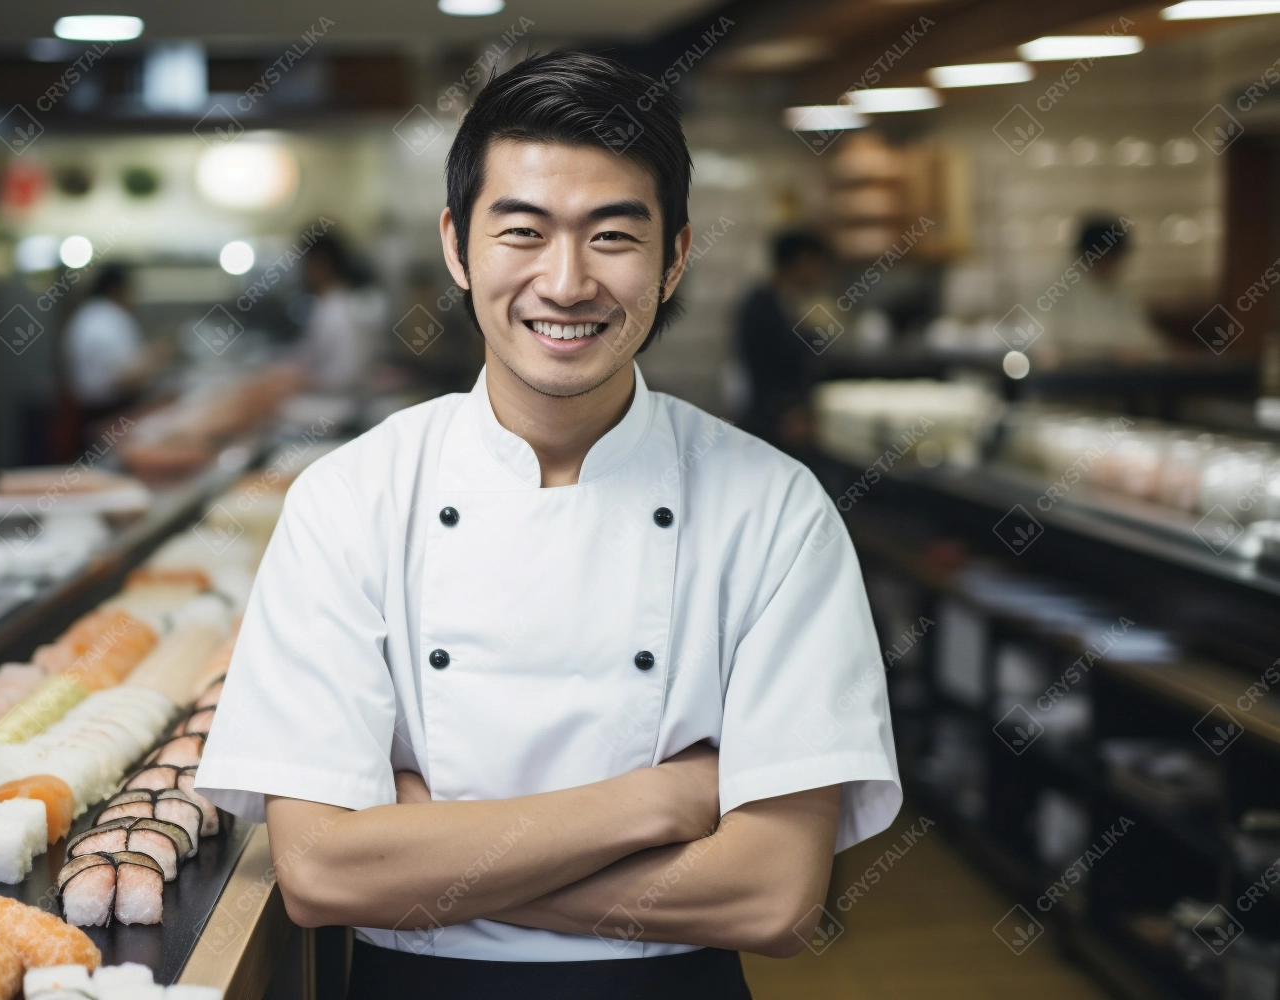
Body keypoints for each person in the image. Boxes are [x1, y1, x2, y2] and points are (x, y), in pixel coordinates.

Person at [195, 51, 900, 1000]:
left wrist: (430, 850)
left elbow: (771, 898)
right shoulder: (350, 501)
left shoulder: (774, 512)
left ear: (676, 255)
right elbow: (321, 874)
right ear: (458, 245)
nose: (566, 284)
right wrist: (663, 799)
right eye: (522, 231)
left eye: (612, 236)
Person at [732, 229, 832, 445]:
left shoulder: (783, 299)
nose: (820, 273)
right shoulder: (762, 304)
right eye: (817, 264)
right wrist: (786, 411)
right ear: (802, 261)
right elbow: (768, 364)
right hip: (774, 423)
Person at [1033, 217, 1169, 365]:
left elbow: (1142, 335)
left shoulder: (1120, 290)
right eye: (1105, 257)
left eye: (1115, 258)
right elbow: (1045, 338)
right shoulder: (1060, 285)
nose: (1112, 265)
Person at [61, 265, 169, 431]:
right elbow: (125, 380)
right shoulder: (111, 318)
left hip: (86, 410)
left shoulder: (84, 315)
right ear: (117, 289)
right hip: (110, 412)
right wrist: (158, 358)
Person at [290, 233, 386, 393]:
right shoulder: (325, 305)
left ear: (320, 263)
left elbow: (348, 374)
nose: (301, 272)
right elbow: (308, 354)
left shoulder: (340, 311)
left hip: (338, 401)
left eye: (304, 263)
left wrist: (300, 380)